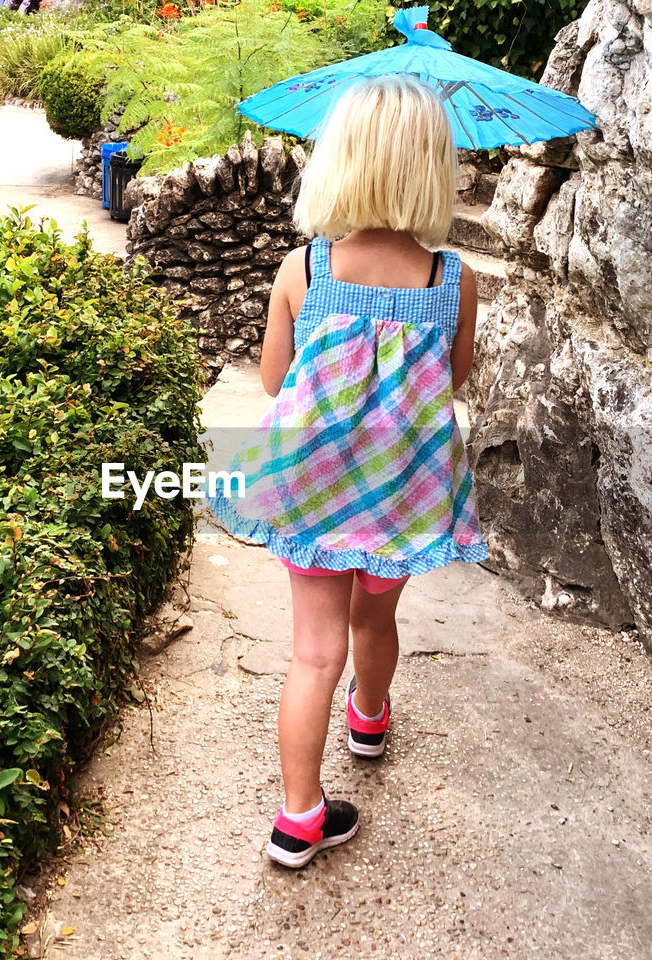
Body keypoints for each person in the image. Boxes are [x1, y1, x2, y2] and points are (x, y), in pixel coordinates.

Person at [206, 74, 484, 870]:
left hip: (311, 485)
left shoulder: (305, 270)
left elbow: (271, 380)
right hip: (403, 486)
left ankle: (298, 819)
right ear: (433, 168)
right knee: (376, 617)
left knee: (311, 651)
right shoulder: (454, 281)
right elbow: (454, 380)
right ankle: (368, 718)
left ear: (340, 160)